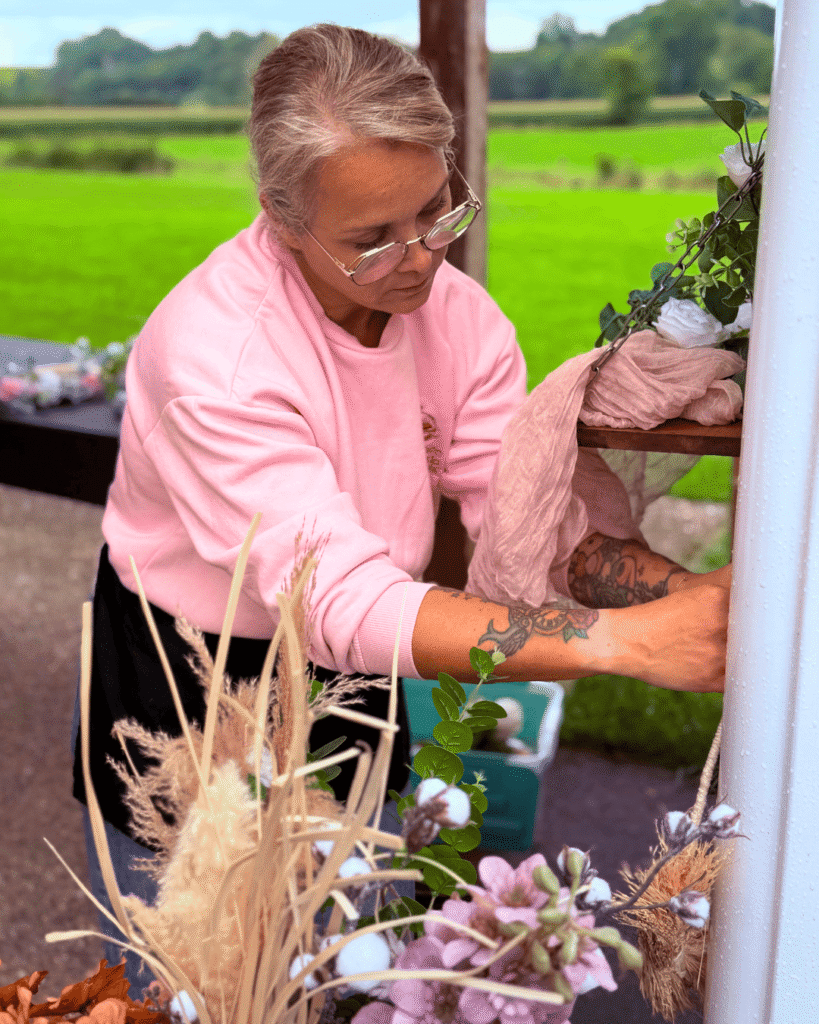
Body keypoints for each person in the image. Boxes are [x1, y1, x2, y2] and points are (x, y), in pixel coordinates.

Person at [72, 23, 729, 988]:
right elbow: (336, 600)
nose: (419, 260)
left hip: (358, 670)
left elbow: (528, 522)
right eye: (369, 242)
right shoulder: (214, 353)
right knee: (195, 980)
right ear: (282, 217)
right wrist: (624, 645)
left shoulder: (458, 321)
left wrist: (691, 599)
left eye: (437, 211)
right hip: (195, 684)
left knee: (350, 953)